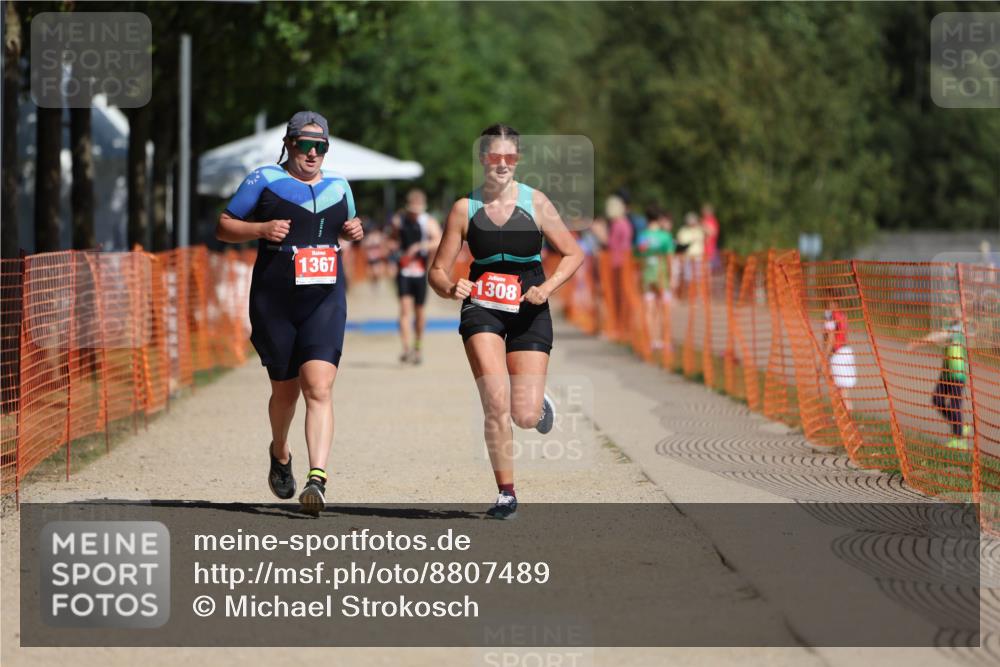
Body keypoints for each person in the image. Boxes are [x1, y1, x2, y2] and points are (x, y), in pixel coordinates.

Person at [428, 123, 584, 519]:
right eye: (494, 157)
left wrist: (547, 288)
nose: (501, 165)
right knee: (495, 402)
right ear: (483, 159)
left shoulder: (536, 202)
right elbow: (437, 271)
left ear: (517, 160)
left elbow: (573, 253)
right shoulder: (465, 208)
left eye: (509, 158)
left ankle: (536, 406)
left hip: (530, 304)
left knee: (524, 415)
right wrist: (451, 288)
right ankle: (506, 494)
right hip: (482, 305)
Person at [215, 111, 364, 515]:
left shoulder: (340, 186)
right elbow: (224, 226)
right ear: (290, 144)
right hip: (275, 300)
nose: (313, 153)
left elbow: (349, 227)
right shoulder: (263, 180)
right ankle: (280, 452)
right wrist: (260, 230)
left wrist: (355, 232)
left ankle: (318, 479)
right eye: (305, 145)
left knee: (319, 385)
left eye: (321, 146)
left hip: (325, 299)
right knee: (286, 391)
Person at [907, 306, 971, 451]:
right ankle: (959, 426)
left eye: (958, 309)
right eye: (954, 309)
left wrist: (918, 343)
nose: (954, 311)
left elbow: (939, 336)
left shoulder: (960, 329)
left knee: (955, 406)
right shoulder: (950, 326)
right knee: (937, 400)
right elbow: (938, 335)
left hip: (957, 374)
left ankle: (960, 440)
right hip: (946, 374)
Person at [390, 189, 442, 364]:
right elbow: (392, 240)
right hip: (404, 270)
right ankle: (406, 348)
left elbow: (438, 239)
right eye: (412, 211)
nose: (414, 214)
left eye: (417, 211)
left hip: (420, 271)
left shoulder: (428, 221)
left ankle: (417, 346)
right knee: (404, 309)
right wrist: (394, 252)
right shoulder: (399, 220)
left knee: (419, 312)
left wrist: (420, 246)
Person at [635, 206, 675, 350]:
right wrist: (672, 276)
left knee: (649, 309)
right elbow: (670, 258)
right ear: (659, 219)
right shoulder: (665, 236)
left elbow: (639, 257)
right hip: (661, 275)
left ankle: (651, 340)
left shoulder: (641, 236)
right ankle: (664, 340)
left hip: (647, 275)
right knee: (664, 309)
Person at [822, 298, 855, 412]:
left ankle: (842, 415)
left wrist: (824, 357)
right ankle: (846, 414)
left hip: (838, 354)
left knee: (836, 387)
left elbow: (831, 337)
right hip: (847, 351)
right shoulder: (842, 314)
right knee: (843, 390)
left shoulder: (830, 315)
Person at [701, 203, 720, 269]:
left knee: (708, 270)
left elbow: (713, 232)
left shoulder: (712, 220)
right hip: (703, 249)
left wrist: (704, 227)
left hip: (710, 250)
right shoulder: (704, 220)